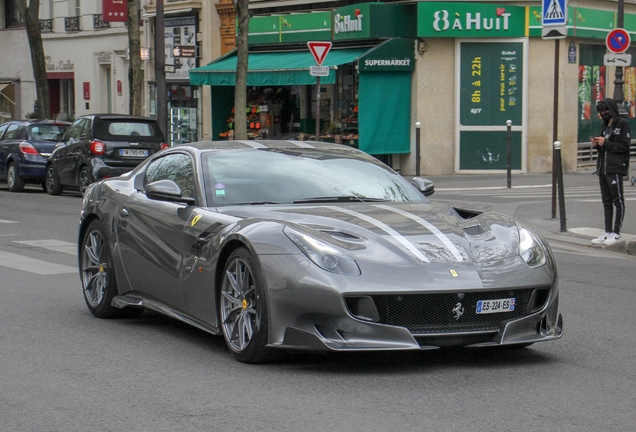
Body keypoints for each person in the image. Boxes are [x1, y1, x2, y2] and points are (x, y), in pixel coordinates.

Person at [590, 98, 631, 246]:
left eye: (606, 111)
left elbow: (624, 146)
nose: (603, 114)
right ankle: (607, 231)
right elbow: (604, 149)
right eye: (601, 112)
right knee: (606, 202)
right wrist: (597, 144)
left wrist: (605, 143)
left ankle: (616, 232)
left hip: (615, 168)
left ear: (612, 110)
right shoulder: (605, 126)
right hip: (603, 168)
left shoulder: (622, 124)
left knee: (618, 200)